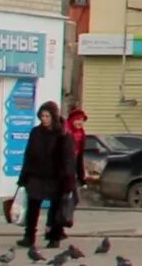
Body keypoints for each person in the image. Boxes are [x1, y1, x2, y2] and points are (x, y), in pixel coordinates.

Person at [16, 101, 72, 251]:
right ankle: (29, 237)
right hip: (36, 175)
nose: (44, 119)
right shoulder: (36, 132)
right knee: (33, 206)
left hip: (55, 177)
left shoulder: (62, 135)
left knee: (55, 208)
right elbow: (28, 155)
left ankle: (54, 237)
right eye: (42, 116)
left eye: (47, 116)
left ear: (54, 117)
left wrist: (68, 180)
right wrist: (23, 177)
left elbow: (68, 159)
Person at [57, 103, 92, 241]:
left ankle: (63, 222)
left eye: (82, 120)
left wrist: (82, 177)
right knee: (63, 200)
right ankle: (58, 226)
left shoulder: (81, 135)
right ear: (71, 120)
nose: (80, 122)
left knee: (72, 199)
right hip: (62, 173)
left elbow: (79, 157)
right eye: (77, 119)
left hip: (72, 173)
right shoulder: (66, 133)